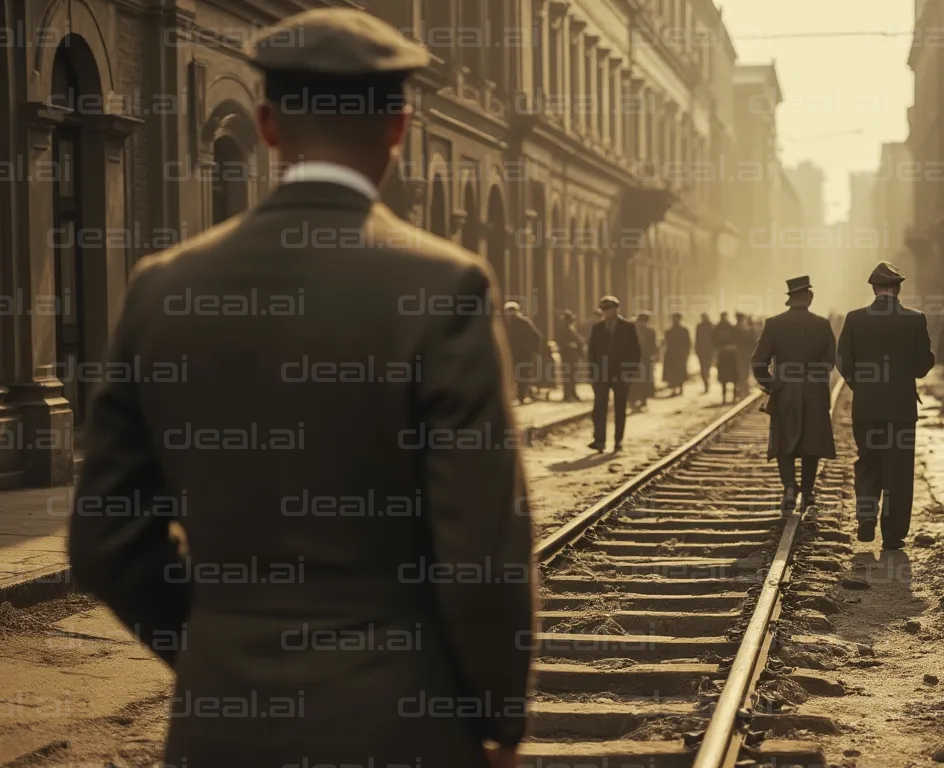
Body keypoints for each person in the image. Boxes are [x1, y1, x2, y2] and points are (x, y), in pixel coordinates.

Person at [66, 9, 533, 768]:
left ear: (268, 125)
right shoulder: (442, 286)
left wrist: (218, 647)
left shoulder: (164, 287)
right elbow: (483, 551)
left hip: (221, 729)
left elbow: (103, 541)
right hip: (400, 725)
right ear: (399, 129)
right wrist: (496, 719)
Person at [838, 261, 936, 550]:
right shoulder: (915, 320)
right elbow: (921, 367)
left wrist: (862, 387)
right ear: (899, 289)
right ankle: (893, 535)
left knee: (868, 462)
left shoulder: (854, 319)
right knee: (898, 469)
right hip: (901, 410)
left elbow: (843, 361)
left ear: (874, 288)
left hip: (866, 408)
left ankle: (867, 517)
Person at [751, 277, 837, 513]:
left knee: (784, 442)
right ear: (809, 298)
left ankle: (789, 487)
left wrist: (772, 385)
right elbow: (831, 360)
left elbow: (758, 363)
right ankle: (808, 492)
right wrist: (816, 377)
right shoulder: (822, 324)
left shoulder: (774, 324)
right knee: (812, 443)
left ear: (790, 300)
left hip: (784, 392)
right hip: (814, 392)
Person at [587, 295, 641, 451]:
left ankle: (618, 440)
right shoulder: (597, 328)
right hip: (601, 375)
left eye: (608, 309)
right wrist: (592, 374)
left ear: (616, 309)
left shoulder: (628, 327)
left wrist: (630, 373)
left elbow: (635, 352)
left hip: (621, 374)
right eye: (603, 310)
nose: (605, 312)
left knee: (620, 408)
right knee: (599, 408)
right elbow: (592, 353)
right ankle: (599, 440)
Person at [504, 301, 542, 404]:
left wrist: (533, 349)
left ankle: (521, 396)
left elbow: (536, 336)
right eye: (508, 311)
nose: (510, 314)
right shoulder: (505, 323)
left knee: (523, 374)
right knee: (514, 375)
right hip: (511, 354)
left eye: (512, 311)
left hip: (524, 354)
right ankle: (519, 395)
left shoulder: (524, 322)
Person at [556, 309, 585, 402]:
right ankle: (570, 394)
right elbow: (577, 340)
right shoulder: (568, 328)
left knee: (569, 375)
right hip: (570, 355)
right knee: (570, 375)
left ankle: (570, 393)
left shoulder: (564, 328)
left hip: (567, 355)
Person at [631, 312, 659, 410]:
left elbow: (654, 346)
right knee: (636, 381)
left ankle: (642, 399)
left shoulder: (650, 331)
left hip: (645, 359)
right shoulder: (633, 330)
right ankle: (635, 400)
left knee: (644, 381)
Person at [712, 312, 740, 404]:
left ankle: (734, 397)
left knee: (734, 378)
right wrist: (719, 349)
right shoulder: (717, 329)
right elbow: (713, 341)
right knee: (723, 379)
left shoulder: (732, 328)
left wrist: (732, 347)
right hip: (723, 356)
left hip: (731, 357)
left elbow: (737, 341)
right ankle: (724, 397)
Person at [662, 312, 691, 396]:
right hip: (671, 354)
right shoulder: (668, 331)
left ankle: (681, 387)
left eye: (676, 318)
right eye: (673, 318)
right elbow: (665, 342)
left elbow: (688, 342)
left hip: (680, 353)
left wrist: (687, 352)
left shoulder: (684, 330)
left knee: (680, 371)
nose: (675, 320)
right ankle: (674, 388)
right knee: (672, 372)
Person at [695, 312, 716, 394]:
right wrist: (696, 349)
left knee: (707, 367)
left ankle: (707, 383)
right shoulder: (699, 326)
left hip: (709, 350)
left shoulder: (711, 326)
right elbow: (697, 338)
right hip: (702, 350)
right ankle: (706, 383)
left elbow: (714, 339)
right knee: (703, 368)